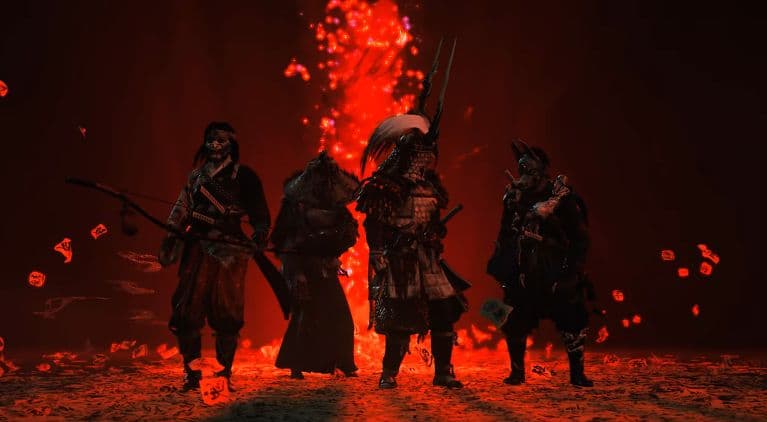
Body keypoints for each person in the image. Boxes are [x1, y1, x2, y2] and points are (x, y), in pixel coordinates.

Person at [158, 121, 270, 391]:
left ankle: (223, 375)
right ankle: (192, 375)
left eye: (221, 140)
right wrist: (171, 233)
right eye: (210, 140)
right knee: (187, 313)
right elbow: (181, 208)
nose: (215, 145)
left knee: (227, 315)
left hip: (229, 251)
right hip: (196, 249)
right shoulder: (196, 177)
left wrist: (259, 233)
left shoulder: (244, 176)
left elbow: (260, 215)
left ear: (231, 144)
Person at [487, 140, 594, 387]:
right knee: (512, 319)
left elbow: (579, 237)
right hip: (523, 268)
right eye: (522, 168)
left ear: (541, 170)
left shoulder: (562, 197)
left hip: (555, 266)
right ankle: (517, 372)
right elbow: (505, 231)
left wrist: (571, 270)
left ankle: (577, 374)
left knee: (572, 317)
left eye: (530, 169)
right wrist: (504, 263)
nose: (524, 173)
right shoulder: (513, 196)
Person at [271, 152, 360, 379]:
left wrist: (333, 249)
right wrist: (296, 272)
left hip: (325, 267)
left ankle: (343, 362)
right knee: (305, 316)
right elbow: (285, 240)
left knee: (340, 316)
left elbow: (348, 233)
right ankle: (296, 365)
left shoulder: (335, 205)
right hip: (301, 266)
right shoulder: (296, 205)